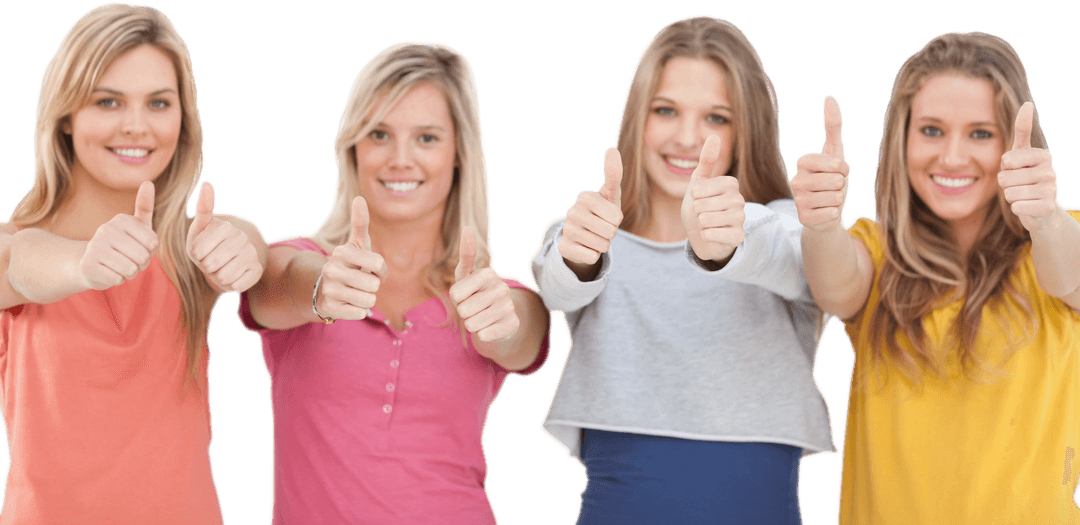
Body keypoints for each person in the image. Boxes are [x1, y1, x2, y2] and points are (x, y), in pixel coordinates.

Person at [530, 15, 834, 524]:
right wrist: (579, 254)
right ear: (637, 118)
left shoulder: (781, 227)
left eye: (717, 117)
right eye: (665, 110)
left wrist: (725, 241)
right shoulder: (596, 231)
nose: (688, 137)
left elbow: (789, 255)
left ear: (746, 128)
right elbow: (556, 281)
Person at [240, 41, 551, 523]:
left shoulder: (493, 294)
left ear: (458, 155)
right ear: (353, 147)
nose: (400, 159)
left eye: (426, 138)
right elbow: (278, 287)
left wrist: (503, 327)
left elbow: (522, 336)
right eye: (380, 134)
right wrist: (323, 287)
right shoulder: (296, 262)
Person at [793, 31, 1080, 523]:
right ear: (901, 139)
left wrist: (1048, 218)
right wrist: (820, 225)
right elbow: (836, 286)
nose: (951, 157)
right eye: (931, 131)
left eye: (980, 133)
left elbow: (1069, 277)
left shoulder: (1056, 245)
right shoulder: (879, 254)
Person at [0, 3, 267, 523]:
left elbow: (253, 246)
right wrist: (83, 264)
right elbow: (18, 265)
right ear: (67, 116)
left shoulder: (195, 245)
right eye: (108, 101)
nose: (136, 126)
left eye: (159, 103)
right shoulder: (16, 245)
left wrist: (246, 251)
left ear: (183, 120)